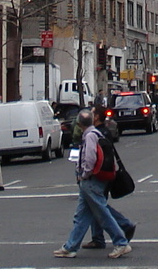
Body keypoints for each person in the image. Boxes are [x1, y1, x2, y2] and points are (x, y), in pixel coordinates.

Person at [53, 110, 131, 259]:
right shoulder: (96, 133)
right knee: (81, 215)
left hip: (91, 180)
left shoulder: (89, 136)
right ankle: (70, 247)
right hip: (95, 180)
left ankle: (121, 242)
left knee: (102, 213)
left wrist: (84, 175)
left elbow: (89, 158)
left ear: (79, 123)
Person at [86, 117, 138, 250]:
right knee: (96, 204)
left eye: (93, 113)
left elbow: (94, 155)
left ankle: (124, 225)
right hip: (107, 171)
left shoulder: (95, 134)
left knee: (98, 205)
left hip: (99, 173)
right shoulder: (105, 131)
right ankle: (97, 237)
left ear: (97, 117)